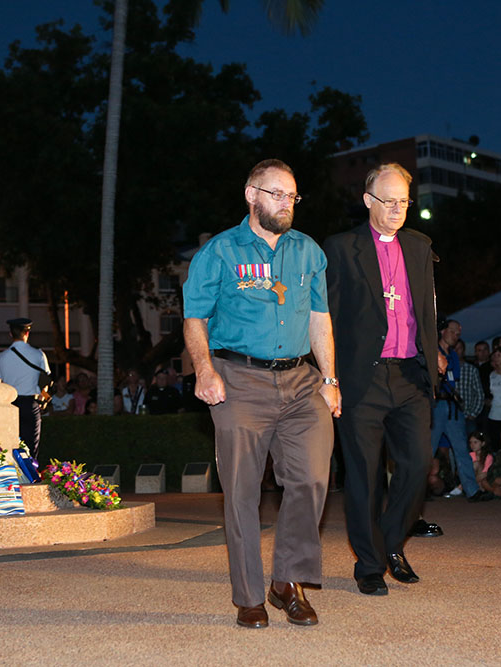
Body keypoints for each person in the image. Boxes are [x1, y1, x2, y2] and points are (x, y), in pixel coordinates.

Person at [183, 159, 338, 628]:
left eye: (292, 195)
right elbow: (195, 317)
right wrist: (204, 370)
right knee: (242, 493)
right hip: (239, 379)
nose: (286, 203)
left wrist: (330, 380)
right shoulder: (219, 251)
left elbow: (319, 319)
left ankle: (285, 582)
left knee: (312, 480)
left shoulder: (308, 251)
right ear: (251, 195)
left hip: (300, 380)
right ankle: (250, 595)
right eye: (276, 194)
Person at [324, 162, 443, 597]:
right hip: (362, 377)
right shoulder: (340, 248)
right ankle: (370, 564)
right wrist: (329, 376)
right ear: (368, 201)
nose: (397, 210)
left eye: (404, 202)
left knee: (417, 464)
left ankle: (392, 542)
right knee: (364, 476)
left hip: (410, 373)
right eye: (388, 201)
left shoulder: (419, 246)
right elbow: (328, 318)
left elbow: (426, 308)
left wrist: (435, 354)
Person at [431, 320, 491, 504]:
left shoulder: (453, 356)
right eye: (453, 332)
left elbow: (452, 380)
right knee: (428, 449)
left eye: (458, 333)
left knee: (462, 450)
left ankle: (472, 490)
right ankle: (416, 489)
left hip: (452, 407)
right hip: (436, 406)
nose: (456, 336)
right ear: (442, 332)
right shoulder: (433, 353)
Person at [0, 317, 51, 460]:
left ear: (10, 334)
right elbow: (46, 379)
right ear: (27, 333)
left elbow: (0, 383)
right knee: (31, 448)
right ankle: (31, 478)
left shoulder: (1, 357)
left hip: (9, 405)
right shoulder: (38, 354)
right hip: (30, 404)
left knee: (9, 445)